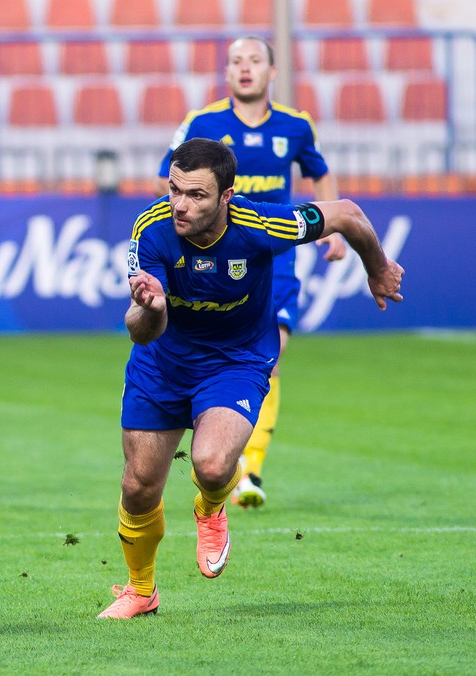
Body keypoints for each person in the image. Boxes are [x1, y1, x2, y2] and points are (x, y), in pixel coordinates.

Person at [99, 138, 403, 619]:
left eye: (197, 195)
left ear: (227, 197)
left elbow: (346, 213)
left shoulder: (261, 224)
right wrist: (150, 305)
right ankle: (141, 591)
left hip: (235, 361)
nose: (180, 204)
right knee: (138, 487)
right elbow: (140, 332)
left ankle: (211, 506)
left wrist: (378, 267)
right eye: (175, 189)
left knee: (213, 465)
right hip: (162, 362)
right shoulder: (150, 230)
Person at [156, 36, 347, 509]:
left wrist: (331, 231)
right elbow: (169, 176)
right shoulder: (203, 123)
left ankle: (248, 468)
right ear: (226, 73)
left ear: (272, 72)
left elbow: (319, 172)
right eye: (236, 61)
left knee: (273, 352)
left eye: (255, 60)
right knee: (209, 343)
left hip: (273, 254)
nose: (245, 68)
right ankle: (219, 443)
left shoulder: (296, 126)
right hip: (216, 252)